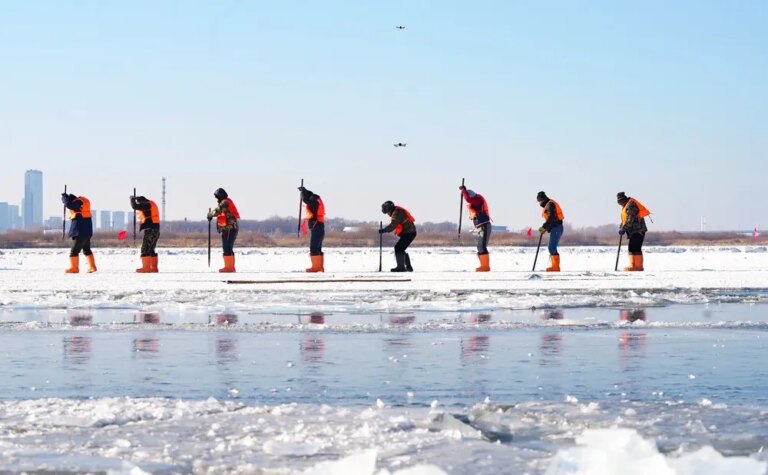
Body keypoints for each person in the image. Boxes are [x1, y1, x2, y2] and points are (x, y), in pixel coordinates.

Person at [61, 193, 97, 273]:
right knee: (86, 250)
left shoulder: (78, 203)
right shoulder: (84, 203)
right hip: (87, 232)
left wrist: (64, 199)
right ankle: (92, 267)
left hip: (79, 231)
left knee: (74, 251)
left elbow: (70, 205)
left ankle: (74, 268)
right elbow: (71, 205)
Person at [207, 188, 240, 273]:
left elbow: (219, 210)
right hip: (230, 228)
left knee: (227, 248)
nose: (217, 199)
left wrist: (210, 214)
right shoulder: (227, 201)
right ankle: (231, 267)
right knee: (229, 248)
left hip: (229, 229)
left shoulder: (225, 202)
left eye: (217, 197)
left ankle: (228, 268)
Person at [460, 185, 492, 272]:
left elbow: (468, 199)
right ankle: (483, 266)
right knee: (480, 247)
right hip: (480, 227)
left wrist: (464, 192)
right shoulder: (475, 202)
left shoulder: (478, 199)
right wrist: (464, 192)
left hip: (484, 226)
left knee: (482, 246)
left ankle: (485, 267)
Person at [379, 201, 416, 272]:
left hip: (409, 233)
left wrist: (384, 230)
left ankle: (401, 267)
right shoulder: (397, 211)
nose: (388, 214)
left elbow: (393, 224)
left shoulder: (397, 213)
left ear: (389, 209)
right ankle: (408, 267)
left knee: (398, 248)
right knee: (400, 248)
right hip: (409, 233)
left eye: (387, 212)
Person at [617, 191, 650, 271]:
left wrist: (624, 228)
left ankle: (638, 267)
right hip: (633, 231)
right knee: (631, 247)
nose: (620, 205)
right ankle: (633, 265)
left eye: (620, 202)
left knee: (636, 247)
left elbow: (630, 219)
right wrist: (621, 227)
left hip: (638, 230)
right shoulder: (626, 205)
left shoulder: (631, 205)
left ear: (622, 200)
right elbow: (625, 219)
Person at [130, 195, 161, 273]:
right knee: (151, 249)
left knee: (145, 249)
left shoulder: (146, 205)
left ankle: (146, 268)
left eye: (139, 202)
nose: (140, 205)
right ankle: (153, 268)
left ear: (142, 202)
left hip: (150, 230)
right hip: (156, 229)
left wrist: (132, 200)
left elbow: (134, 206)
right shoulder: (151, 204)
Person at [537, 191, 565, 272]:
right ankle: (554, 266)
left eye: (539, 201)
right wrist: (546, 228)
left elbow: (551, 218)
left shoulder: (550, 205)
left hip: (557, 228)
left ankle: (556, 267)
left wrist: (543, 227)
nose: (539, 203)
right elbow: (551, 220)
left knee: (552, 247)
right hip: (555, 228)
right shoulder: (548, 204)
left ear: (543, 199)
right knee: (551, 247)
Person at [300, 185, 325, 272]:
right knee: (317, 248)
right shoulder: (316, 200)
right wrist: (304, 190)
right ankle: (319, 267)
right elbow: (309, 196)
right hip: (319, 227)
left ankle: (316, 267)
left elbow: (306, 200)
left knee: (314, 247)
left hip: (317, 226)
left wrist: (302, 193)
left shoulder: (315, 203)